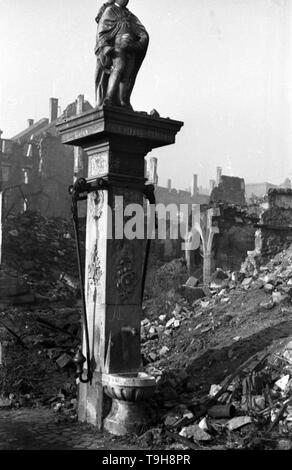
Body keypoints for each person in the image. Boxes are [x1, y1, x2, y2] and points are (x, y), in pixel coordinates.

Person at [94, 0, 149, 109]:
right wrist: (104, 46)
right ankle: (108, 97)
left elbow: (143, 33)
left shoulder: (130, 16)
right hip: (117, 48)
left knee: (127, 74)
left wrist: (139, 42)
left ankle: (122, 100)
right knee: (119, 68)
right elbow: (101, 30)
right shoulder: (110, 10)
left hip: (131, 47)